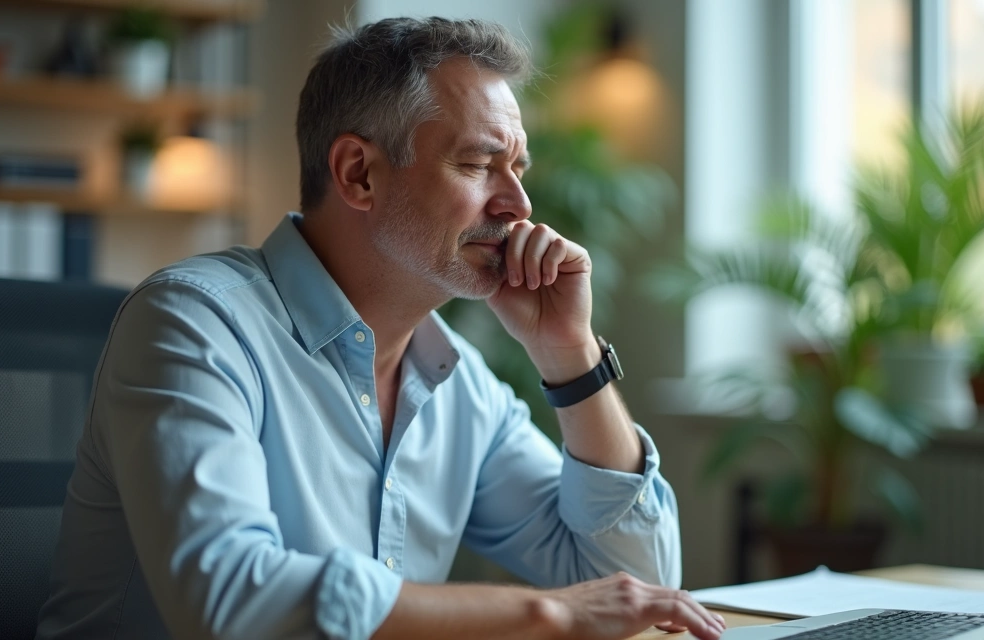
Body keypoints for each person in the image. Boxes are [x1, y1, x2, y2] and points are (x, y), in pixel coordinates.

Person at [36, 16, 726, 640]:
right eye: (480, 164)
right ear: (358, 174)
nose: (519, 203)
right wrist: (548, 612)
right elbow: (228, 599)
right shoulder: (193, 326)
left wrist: (570, 356)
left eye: (517, 169)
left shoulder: (458, 384)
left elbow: (640, 580)